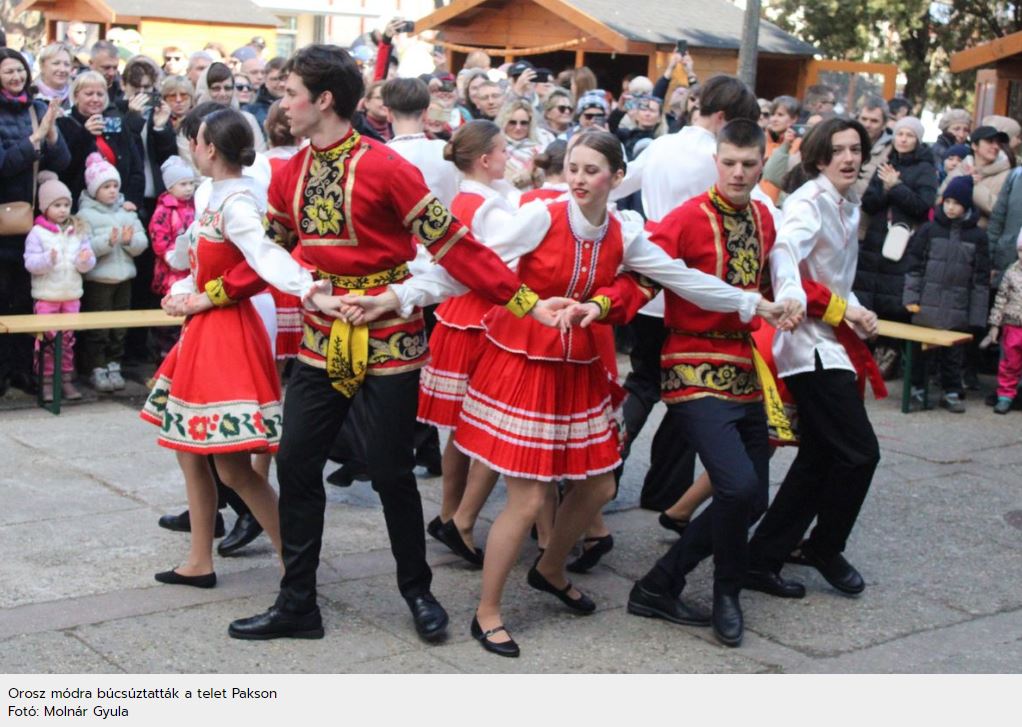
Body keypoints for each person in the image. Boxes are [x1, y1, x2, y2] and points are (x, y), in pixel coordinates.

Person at [225, 44, 560, 643]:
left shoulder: (386, 167)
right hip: (320, 339)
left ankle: (417, 590)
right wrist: (209, 290)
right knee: (296, 462)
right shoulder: (289, 172)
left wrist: (525, 302)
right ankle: (298, 601)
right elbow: (268, 251)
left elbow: (456, 245)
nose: (282, 103)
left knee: (390, 473)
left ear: (323, 100)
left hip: (389, 343)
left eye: (290, 93)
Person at [620, 119, 803, 648]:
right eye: (730, 163)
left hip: (745, 369)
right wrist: (599, 307)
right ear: (716, 161)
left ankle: (669, 584)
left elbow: (770, 271)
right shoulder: (687, 218)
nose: (740, 173)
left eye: (750, 164)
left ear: (761, 161)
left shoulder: (763, 218)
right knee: (740, 487)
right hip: (692, 366)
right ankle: (710, 590)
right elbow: (642, 272)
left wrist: (789, 296)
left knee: (752, 497)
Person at [140, 109, 332, 589]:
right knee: (192, 452)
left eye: (198, 141)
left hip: (224, 332)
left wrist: (307, 285)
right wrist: (183, 290)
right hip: (205, 327)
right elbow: (195, 259)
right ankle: (199, 559)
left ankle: (296, 563)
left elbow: (265, 255)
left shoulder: (238, 202)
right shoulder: (217, 196)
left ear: (209, 148)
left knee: (232, 466)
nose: (193, 148)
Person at [748, 117, 882, 599]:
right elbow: (786, 252)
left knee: (819, 458)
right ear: (820, 158)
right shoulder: (809, 200)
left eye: (856, 149)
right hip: (809, 347)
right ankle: (824, 546)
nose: (849, 157)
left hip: (830, 342)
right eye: (839, 150)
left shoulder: (846, 204)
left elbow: (837, 283)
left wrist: (858, 312)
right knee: (860, 452)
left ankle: (761, 557)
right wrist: (791, 296)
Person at [0, 48, 70, 396]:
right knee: (2, 298)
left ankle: (22, 369)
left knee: (29, 298)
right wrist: (35, 139)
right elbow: (4, 163)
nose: (15, 77)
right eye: (8, 71)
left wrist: (52, 133)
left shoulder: (38, 108)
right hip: (3, 220)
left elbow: (63, 160)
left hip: (36, 222)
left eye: (19, 71)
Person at [903, 175, 989, 412]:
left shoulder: (977, 236)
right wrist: (911, 298)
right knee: (922, 353)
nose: (951, 207)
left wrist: (977, 315)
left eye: (957, 203)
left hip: (957, 307)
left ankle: (952, 391)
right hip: (926, 305)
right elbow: (914, 266)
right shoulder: (929, 230)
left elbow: (980, 279)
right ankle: (917, 389)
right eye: (947, 201)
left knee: (953, 354)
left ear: (966, 205)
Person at [854, 115, 938, 326]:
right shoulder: (886, 164)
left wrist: (897, 187)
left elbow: (922, 206)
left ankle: (889, 352)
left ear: (917, 140)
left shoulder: (926, 169)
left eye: (909, 135)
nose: (903, 139)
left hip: (905, 241)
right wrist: (885, 188)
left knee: (892, 301)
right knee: (868, 296)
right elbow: (868, 203)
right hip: (875, 240)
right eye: (900, 134)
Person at [75, 152, 148, 392]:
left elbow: (141, 243)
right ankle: (96, 366)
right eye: (106, 186)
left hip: (124, 277)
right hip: (99, 280)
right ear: (94, 189)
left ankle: (114, 363)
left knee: (120, 326)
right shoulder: (85, 215)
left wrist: (128, 242)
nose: (112, 191)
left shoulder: (127, 212)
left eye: (115, 185)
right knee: (99, 327)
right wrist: (107, 241)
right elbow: (84, 249)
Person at [23, 172, 96, 401]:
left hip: (71, 294)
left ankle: (65, 380)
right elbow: (31, 263)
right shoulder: (37, 233)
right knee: (46, 341)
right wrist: (48, 259)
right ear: (45, 207)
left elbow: (88, 261)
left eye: (66, 204)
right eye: (57, 205)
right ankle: (45, 382)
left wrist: (84, 261)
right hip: (47, 296)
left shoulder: (78, 231)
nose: (63, 210)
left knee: (67, 341)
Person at [57, 71, 146, 212]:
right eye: (89, 94)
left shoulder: (115, 123)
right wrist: (85, 135)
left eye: (100, 94)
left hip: (119, 207)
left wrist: (131, 200)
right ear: (76, 96)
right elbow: (65, 169)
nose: (95, 99)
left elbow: (136, 167)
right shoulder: (63, 124)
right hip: (81, 208)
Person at [148, 156, 197, 358]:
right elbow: (158, 237)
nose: (188, 188)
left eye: (191, 183)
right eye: (183, 184)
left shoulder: (195, 207)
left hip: (190, 271)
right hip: (169, 273)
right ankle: (163, 360)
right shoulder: (164, 210)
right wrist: (171, 256)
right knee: (168, 326)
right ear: (170, 187)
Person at [983, 230, 1022, 414]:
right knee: (1009, 363)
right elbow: (1000, 300)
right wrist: (994, 326)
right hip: (1012, 325)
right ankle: (1005, 395)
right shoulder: (1011, 273)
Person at [497, 98, 543, 190]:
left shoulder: (539, 150)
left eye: (524, 123)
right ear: (504, 123)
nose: (518, 127)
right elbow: (502, 186)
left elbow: (545, 184)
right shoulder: (496, 151)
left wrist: (538, 173)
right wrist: (528, 173)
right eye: (512, 123)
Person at [34, 43, 75, 111]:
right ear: (42, 66)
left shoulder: (77, 95)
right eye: (56, 63)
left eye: (67, 64)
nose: (62, 69)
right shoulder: (31, 96)